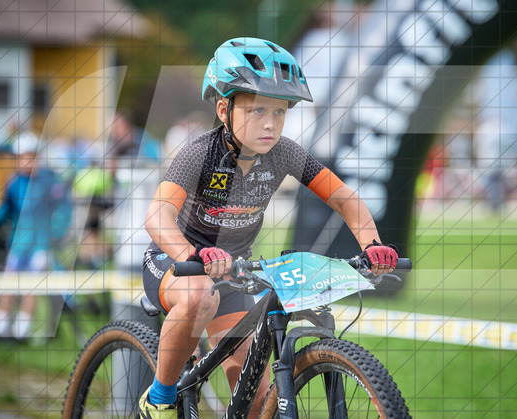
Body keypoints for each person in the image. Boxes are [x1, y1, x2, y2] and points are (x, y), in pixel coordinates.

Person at [139, 37, 398, 417]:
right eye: (257, 109)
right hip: (177, 262)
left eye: (279, 112)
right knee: (199, 296)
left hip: (232, 272)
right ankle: (159, 399)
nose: (270, 123)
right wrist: (193, 254)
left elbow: (345, 199)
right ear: (224, 110)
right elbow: (157, 216)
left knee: (256, 401)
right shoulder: (200, 153)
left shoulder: (285, 153)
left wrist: (373, 245)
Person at [0, 131, 72, 340]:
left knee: (31, 287)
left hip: (41, 245)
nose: (26, 162)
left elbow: (64, 209)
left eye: (30, 157)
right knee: (8, 284)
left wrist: (56, 233)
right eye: (22, 158)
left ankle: (21, 331)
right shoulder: (14, 182)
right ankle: (0, 330)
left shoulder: (49, 180)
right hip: (18, 244)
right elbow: (6, 210)